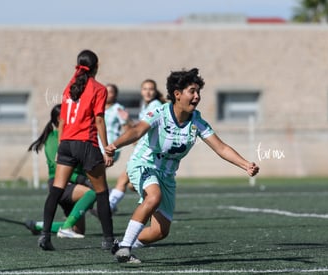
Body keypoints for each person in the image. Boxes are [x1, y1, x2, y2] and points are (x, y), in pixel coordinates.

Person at [106, 68, 259, 263]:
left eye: (198, 92)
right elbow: (137, 131)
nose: (197, 96)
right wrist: (115, 145)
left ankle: (121, 244)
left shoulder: (197, 121)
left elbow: (220, 148)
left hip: (167, 176)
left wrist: (245, 164)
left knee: (159, 232)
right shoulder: (159, 113)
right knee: (153, 196)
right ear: (177, 94)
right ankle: (125, 249)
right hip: (145, 164)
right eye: (192, 91)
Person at [38, 49, 115, 251]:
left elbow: (63, 120)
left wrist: (61, 145)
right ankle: (108, 240)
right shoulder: (98, 88)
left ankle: (45, 235)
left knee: (56, 190)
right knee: (101, 192)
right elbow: (99, 119)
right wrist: (106, 147)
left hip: (67, 143)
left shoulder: (69, 87)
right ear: (96, 67)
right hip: (85, 143)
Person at [26, 104, 96, 238]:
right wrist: (83, 180)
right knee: (91, 193)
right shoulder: (53, 138)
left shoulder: (73, 137)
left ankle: (38, 226)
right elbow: (59, 167)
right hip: (61, 185)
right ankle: (66, 227)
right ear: (60, 118)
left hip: (72, 184)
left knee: (79, 231)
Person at [108, 79, 166, 213]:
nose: (148, 92)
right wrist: (128, 120)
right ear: (141, 91)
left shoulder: (155, 105)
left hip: (149, 152)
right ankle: (153, 200)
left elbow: (143, 129)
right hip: (145, 150)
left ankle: (108, 207)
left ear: (155, 90)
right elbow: (140, 128)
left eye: (151, 89)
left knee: (123, 179)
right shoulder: (146, 106)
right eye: (145, 89)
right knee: (131, 185)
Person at [98, 83, 130, 162]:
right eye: (106, 91)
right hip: (97, 145)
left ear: (115, 95)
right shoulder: (98, 107)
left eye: (110, 92)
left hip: (110, 146)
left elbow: (126, 128)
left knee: (96, 169)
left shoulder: (118, 108)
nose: (107, 94)